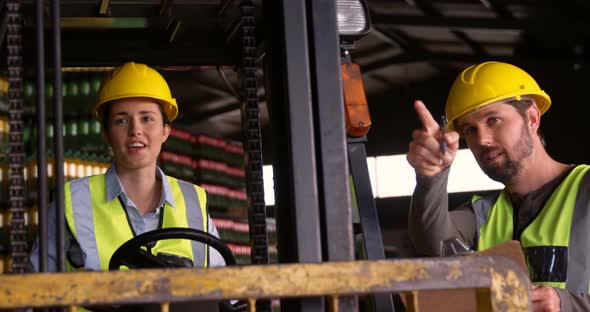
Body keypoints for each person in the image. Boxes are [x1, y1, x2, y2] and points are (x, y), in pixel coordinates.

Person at [406, 61, 590, 312]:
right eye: (470, 130)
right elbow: (432, 243)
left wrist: (569, 304)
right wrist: (431, 177)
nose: (482, 139)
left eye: (493, 120)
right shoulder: (483, 214)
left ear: (532, 118)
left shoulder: (585, 190)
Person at [27, 61, 226, 272]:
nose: (135, 130)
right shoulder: (73, 202)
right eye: (121, 121)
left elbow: (225, 287)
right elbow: (36, 291)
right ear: (106, 134)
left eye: (147, 118)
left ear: (165, 131)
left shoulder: (193, 201)